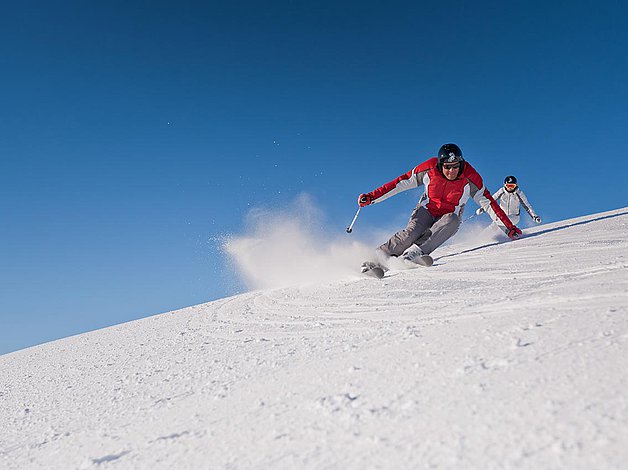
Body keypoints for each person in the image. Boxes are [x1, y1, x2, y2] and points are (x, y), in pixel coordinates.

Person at [358, 143, 521, 274]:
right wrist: (372, 197)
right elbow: (400, 182)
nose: (451, 171)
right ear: (440, 164)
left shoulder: (470, 177)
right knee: (411, 233)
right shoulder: (429, 169)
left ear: (461, 164)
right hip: (426, 211)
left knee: (452, 219)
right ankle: (376, 258)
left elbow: (490, 204)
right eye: (447, 167)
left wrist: (509, 228)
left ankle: (414, 254)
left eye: (455, 166)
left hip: (448, 218)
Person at [476, 175, 541, 228]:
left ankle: (511, 230)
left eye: (512, 186)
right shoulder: (501, 191)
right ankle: (480, 239)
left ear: (516, 185)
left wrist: (534, 216)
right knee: (492, 227)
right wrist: (482, 208)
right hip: (502, 216)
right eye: (508, 186)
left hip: (514, 217)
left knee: (500, 220)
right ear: (505, 185)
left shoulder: (519, 193)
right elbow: (491, 200)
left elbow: (527, 206)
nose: (510, 188)